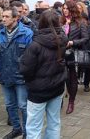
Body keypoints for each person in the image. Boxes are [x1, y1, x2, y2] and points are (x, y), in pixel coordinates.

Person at [20, 10, 68, 139]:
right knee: (54, 122)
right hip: (57, 87)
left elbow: (26, 69)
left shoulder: (35, 45)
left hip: (38, 91)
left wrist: (30, 82)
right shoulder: (63, 40)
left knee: (34, 126)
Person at [0, 7, 33, 139]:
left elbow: (31, 57)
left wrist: (29, 75)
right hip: (5, 75)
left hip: (21, 76)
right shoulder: (0, 34)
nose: (3, 19)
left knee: (23, 106)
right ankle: (16, 128)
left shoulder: (27, 33)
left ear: (15, 18)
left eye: (7, 17)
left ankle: (26, 132)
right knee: (9, 105)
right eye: (3, 16)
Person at [61, 1, 89, 114]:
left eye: (67, 8)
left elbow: (85, 38)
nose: (65, 10)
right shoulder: (60, 21)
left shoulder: (80, 22)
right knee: (61, 78)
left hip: (73, 54)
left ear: (72, 9)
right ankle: (60, 100)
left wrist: (73, 42)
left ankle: (71, 101)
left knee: (71, 79)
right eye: (63, 8)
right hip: (61, 53)